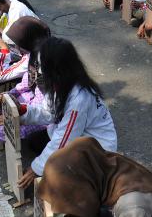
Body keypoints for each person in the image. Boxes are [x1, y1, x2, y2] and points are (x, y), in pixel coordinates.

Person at [16, 37, 118, 189]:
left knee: (57, 181)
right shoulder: (61, 83)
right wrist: (23, 112)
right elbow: (48, 112)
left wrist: (35, 169)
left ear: (55, 69)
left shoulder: (80, 98)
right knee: (35, 142)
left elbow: (63, 140)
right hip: (79, 139)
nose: (38, 71)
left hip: (99, 151)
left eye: (41, 66)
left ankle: (91, 182)